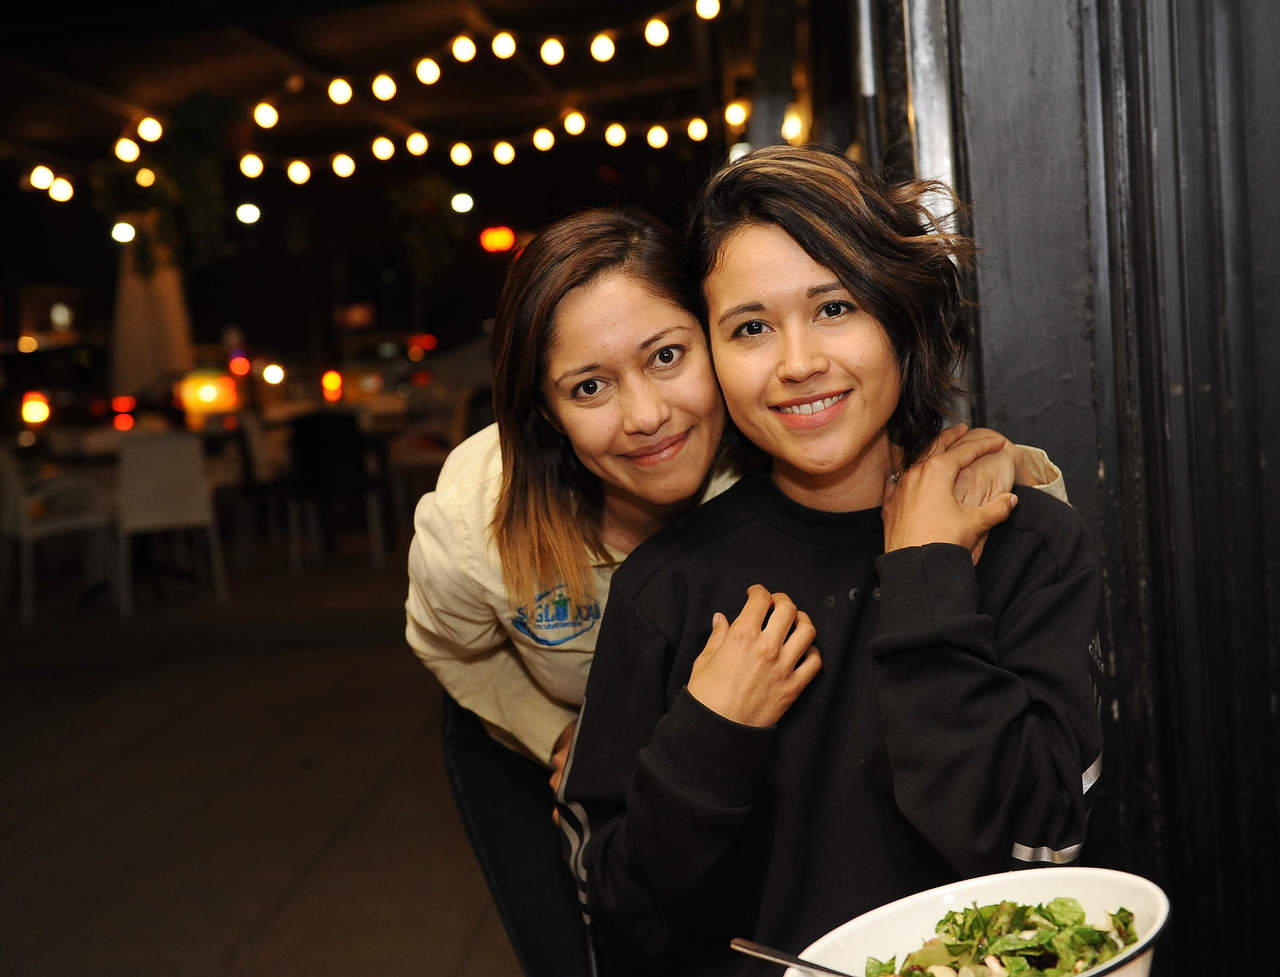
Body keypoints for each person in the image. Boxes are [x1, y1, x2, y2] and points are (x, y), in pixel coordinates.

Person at [405, 207, 1067, 977]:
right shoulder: (473, 527)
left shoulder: (754, 453)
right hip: (534, 730)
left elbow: (871, 448)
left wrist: (1006, 473)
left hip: (713, 735)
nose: (647, 415)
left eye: (667, 356)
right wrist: (556, 732)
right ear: (546, 413)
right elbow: (449, 646)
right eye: (588, 386)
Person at [555, 147, 1104, 977]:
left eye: (835, 307)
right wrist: (709, 732)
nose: (798, 362)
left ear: (900, 313)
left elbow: (1041, 849)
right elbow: (623, 923)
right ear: (710, 355)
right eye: (750, 328)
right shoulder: (665, 590)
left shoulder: (1026, 543)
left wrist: (926, 582)